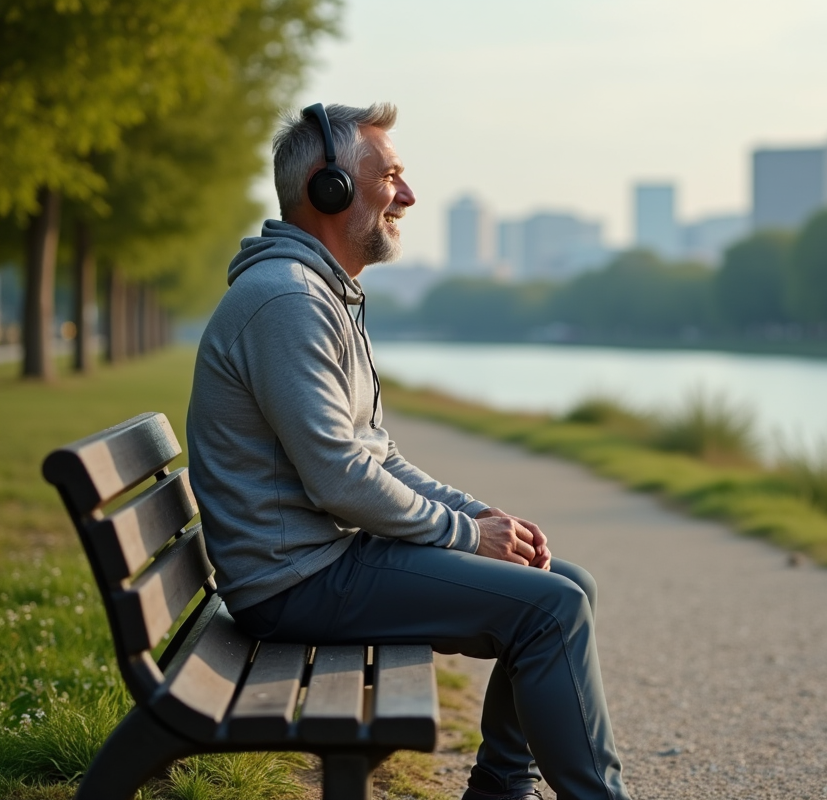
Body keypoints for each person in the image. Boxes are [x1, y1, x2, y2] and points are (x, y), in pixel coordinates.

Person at [186, 102, 630, 800]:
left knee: (569, 585)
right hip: (296, 581)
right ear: (327, 190)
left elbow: (376, 455)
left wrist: (481, 516)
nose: (409, 196)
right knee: (551, 612)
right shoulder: (289, 302)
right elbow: (340, 477)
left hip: (321, 560)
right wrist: (465, 536)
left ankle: (499, 790)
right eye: (390, 176)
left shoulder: (324, 294)